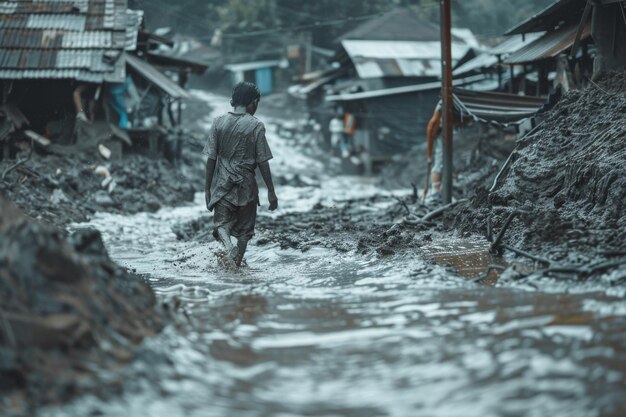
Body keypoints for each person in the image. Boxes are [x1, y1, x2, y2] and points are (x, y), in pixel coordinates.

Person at [203, 82, 278, 266]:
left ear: (232, 102)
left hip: (223, 185)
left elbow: (211, 159)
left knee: (221, 224)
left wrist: (207, 189)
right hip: (247, 187)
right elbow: (262, 161)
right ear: (253, 103)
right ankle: (237, 264)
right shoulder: (256, 125)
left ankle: (229, 247)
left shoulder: (218, 123)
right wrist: (271, 191)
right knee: (245, 232)